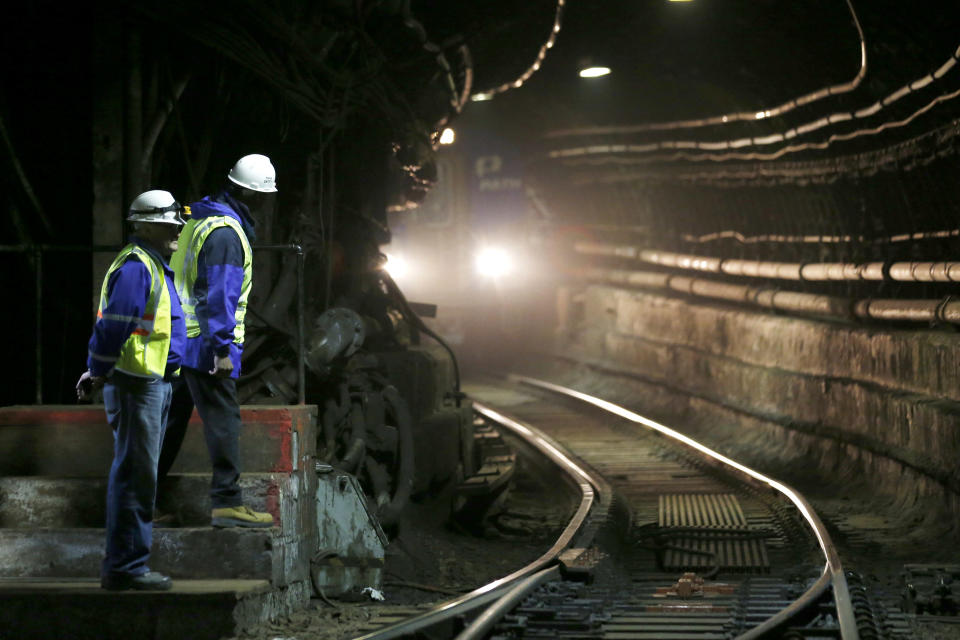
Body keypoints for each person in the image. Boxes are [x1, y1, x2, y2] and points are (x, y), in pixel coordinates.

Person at [157, 154, 276, 528]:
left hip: (178, 341)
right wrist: (222, 348)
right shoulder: (226, 233)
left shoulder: (199, 219)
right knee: (224, 422)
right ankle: (227, 503)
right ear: (252, 196)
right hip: (207, 347)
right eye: (264, 195)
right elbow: (219, 295)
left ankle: (142, 502)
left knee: (169, 426)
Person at [77, 190, 186, 591]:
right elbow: (114, 326)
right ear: (144, 224)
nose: (176, 228)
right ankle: (126, 569)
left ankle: (128, 566)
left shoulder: (152, 266)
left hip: (150, 383)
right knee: (135, 478)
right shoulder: (138, 267)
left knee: (139, 476)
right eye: (168, 221)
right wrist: (97, 370)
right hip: (137, 385)